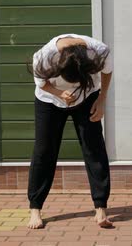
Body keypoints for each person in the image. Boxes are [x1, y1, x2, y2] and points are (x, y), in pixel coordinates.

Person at [26, 33, 114, 229]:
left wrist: (101, 100)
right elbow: (42, 83)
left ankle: (100, 208)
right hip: (49, 100)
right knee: (44, 150)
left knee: (94, 147)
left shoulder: (99, 51)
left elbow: (107, 71)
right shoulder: (43, 57)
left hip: (88, 97)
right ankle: (35, 209)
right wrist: (59, 93)